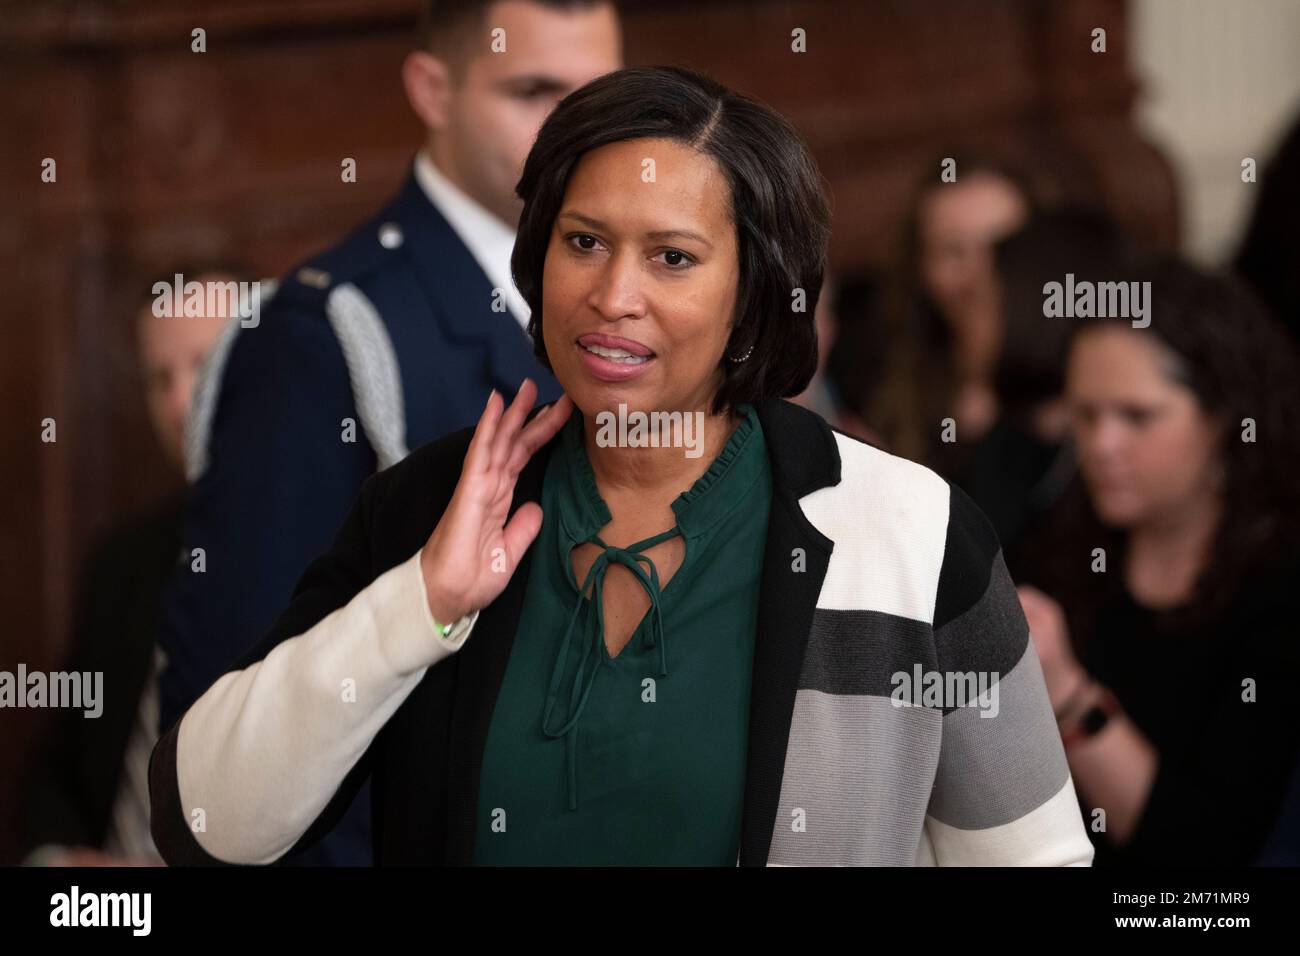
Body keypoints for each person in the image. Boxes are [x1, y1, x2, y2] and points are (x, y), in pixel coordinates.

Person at [149, 66, 1094, 867]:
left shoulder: (910, 536)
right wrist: (419, 606)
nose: (612, 296)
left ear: (756, 295)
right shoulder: (429, 511)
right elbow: (208, 824)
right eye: (584, 242)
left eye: (673, 258)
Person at [155, 0, 622, 865]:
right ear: (433, 88)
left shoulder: (619, 309)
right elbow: (245, 715)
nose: (579, 132)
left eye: (600, 97)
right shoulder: (319, 332)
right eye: (535, 92)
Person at [1016, 257, 1300, 865]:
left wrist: (1067, 694)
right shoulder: (1065, 542)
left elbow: (1204, 856)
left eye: (1136, 417)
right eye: (1086, 416)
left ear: (1223, 417)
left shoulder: (1277, 590)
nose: (1101, 446)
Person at [22, 266, 241, 866]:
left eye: (203, 363)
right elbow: (59, 766)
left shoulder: (342, 549)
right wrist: (59, 863)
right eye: (158, 378)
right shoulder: (123, 559)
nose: (178, 401)